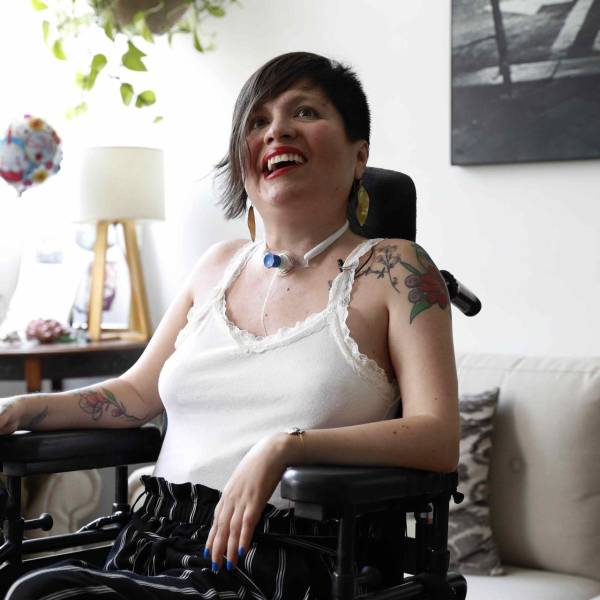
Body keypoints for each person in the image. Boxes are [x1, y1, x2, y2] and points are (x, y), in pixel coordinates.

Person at [2, 51, 459, 600]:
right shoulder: (217, 265)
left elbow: (438, 437)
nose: (277, 130)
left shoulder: (397, 268)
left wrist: (285, 446)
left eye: (305, 112)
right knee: (34, 585)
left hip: (280, 560)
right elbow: (134, 395)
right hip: (152, 543)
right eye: (257, 120)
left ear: (359, 154)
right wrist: (22, 408)